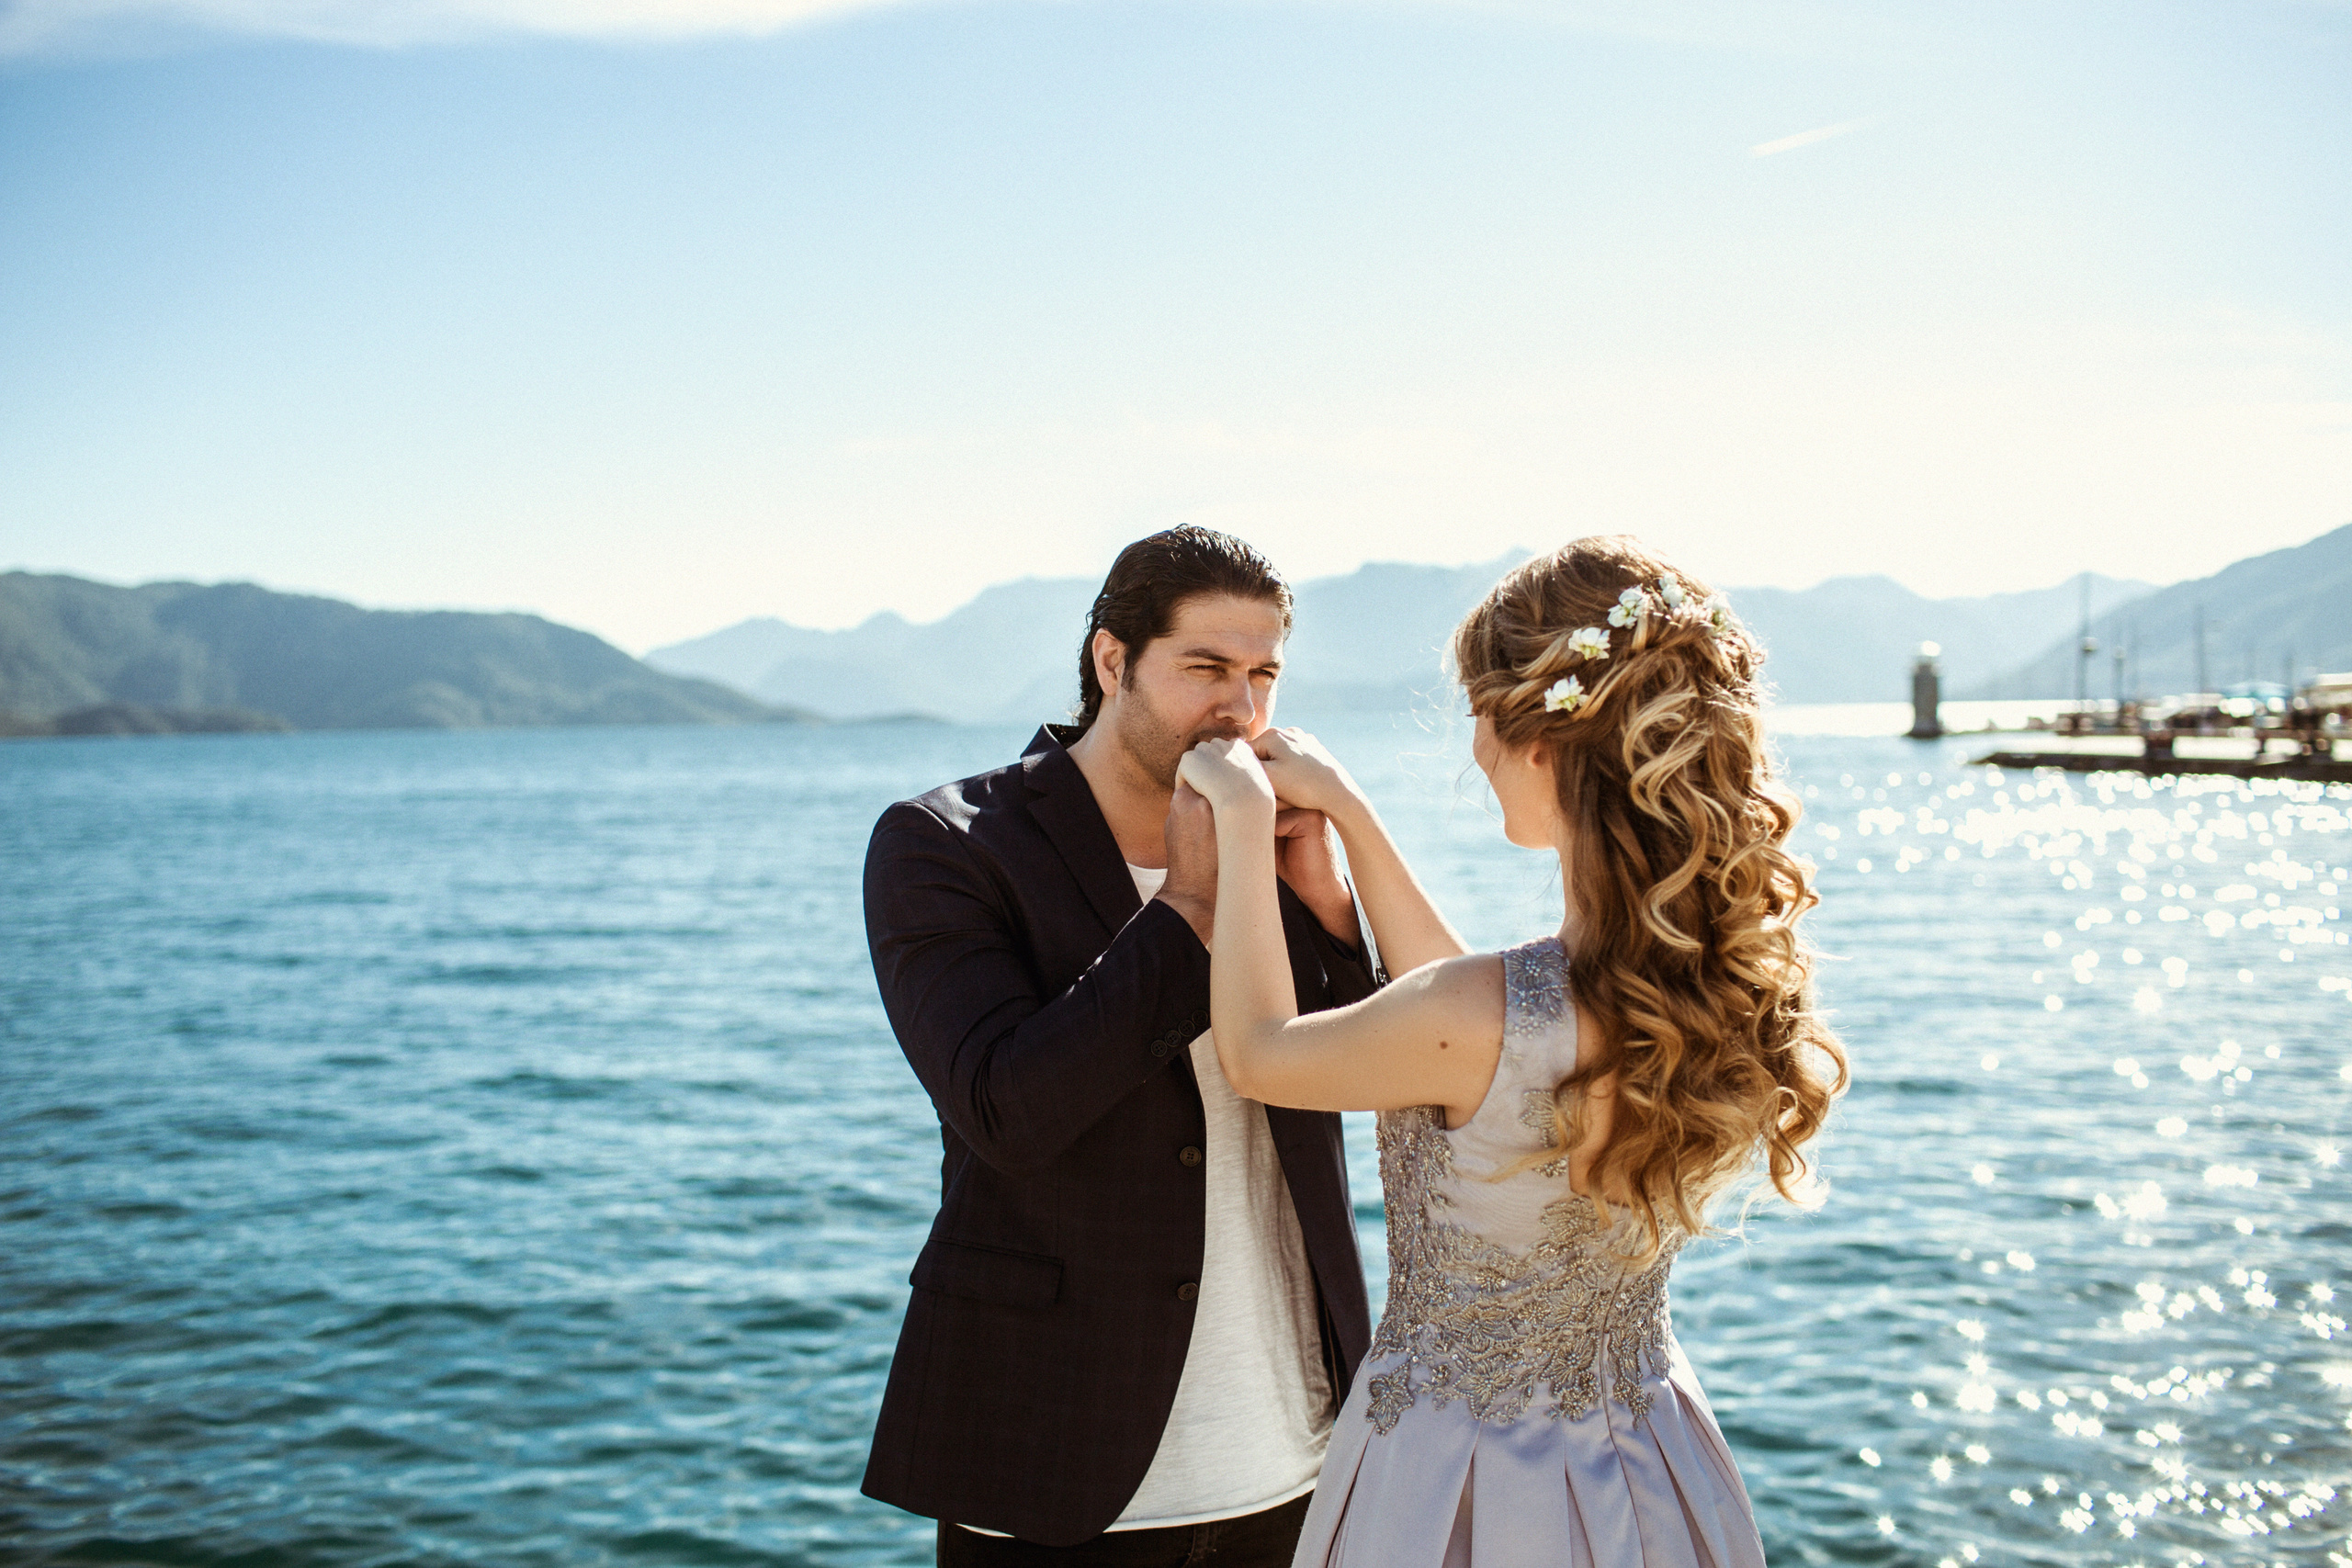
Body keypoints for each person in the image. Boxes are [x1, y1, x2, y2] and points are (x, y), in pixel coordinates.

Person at [1173, 536, 1848, 1567]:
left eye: (1482, 721)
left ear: (1545, 743)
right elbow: (1474, 1026)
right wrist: (1348, 815)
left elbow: (1261, 1054)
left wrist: (1239, 817)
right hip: (1651, 1462)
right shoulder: (1682, 989)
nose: (1477, 751)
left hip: (1461, 1486)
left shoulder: (1485, 1013)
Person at [861, 526, 1383, 1563]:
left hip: (1297, 1453)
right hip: (1053, 1462)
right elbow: (1007, 1109)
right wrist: (1188, 903)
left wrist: (1326, 898)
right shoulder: (945, 844)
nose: (1238, 707)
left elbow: (1378, 1077)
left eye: (1261, 674)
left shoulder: (1272, 839)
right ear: (1112, 662)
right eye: (1205, 669)